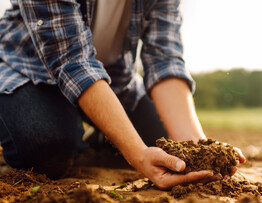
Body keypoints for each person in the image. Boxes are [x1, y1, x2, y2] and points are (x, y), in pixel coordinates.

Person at [0, 0, 245, 189]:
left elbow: (165, 60)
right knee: (46, 151)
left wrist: (200, 149)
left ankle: (100, 138)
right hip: (29, 72)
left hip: (114, 81)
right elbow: (73, 62)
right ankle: (65, 126)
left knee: (165, 146)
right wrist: (136, 153)